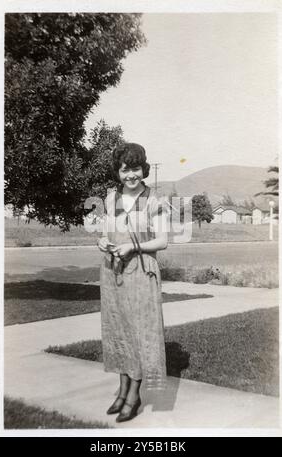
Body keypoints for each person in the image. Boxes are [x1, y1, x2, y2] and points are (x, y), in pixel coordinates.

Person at [97, 142, 169, 423]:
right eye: (125, 169)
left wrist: (133, 248)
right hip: (113, 271)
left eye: (136, 169)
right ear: (118, 171)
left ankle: (134, 394)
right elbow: (105, 233)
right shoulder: (110, 198)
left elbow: (162, 241)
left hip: (141, 270)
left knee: (139, 331)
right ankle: (122, 388)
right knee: (119, 329)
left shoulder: (154, 200)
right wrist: (102, 242)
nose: (131, 175)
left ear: (144, 169)